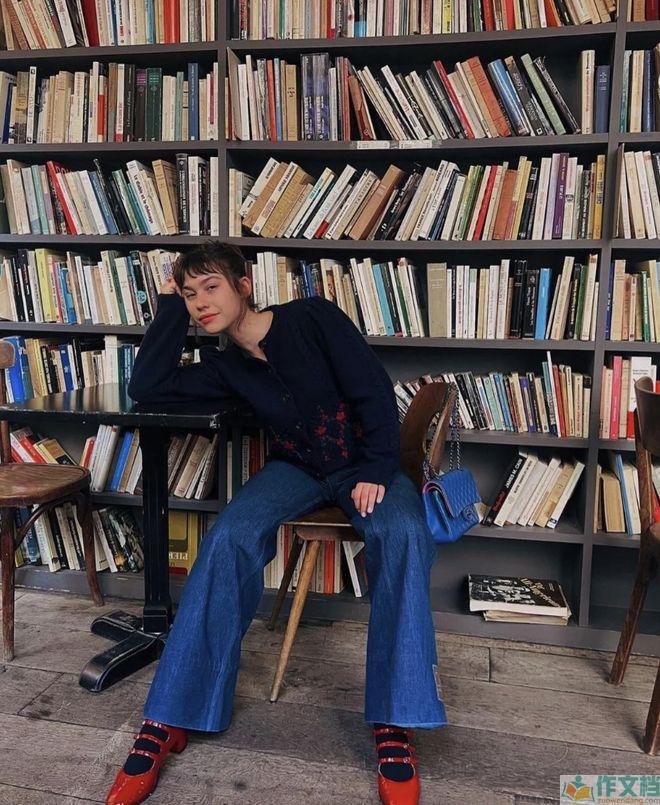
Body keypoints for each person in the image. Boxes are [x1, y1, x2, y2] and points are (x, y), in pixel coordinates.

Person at [105, 242, 448, 805]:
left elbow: (373, 391)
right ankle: (169, 716)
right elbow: (147, 387)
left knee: (404, 534)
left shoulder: (312, 316)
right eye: (189, 295)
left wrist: (376, 469)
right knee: (229, 537)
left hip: (366, 465)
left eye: (211, 287)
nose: (200, 303)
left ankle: (395, 720)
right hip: (298, 471)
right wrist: (167, 307)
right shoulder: (226, 367)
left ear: (243, 285)